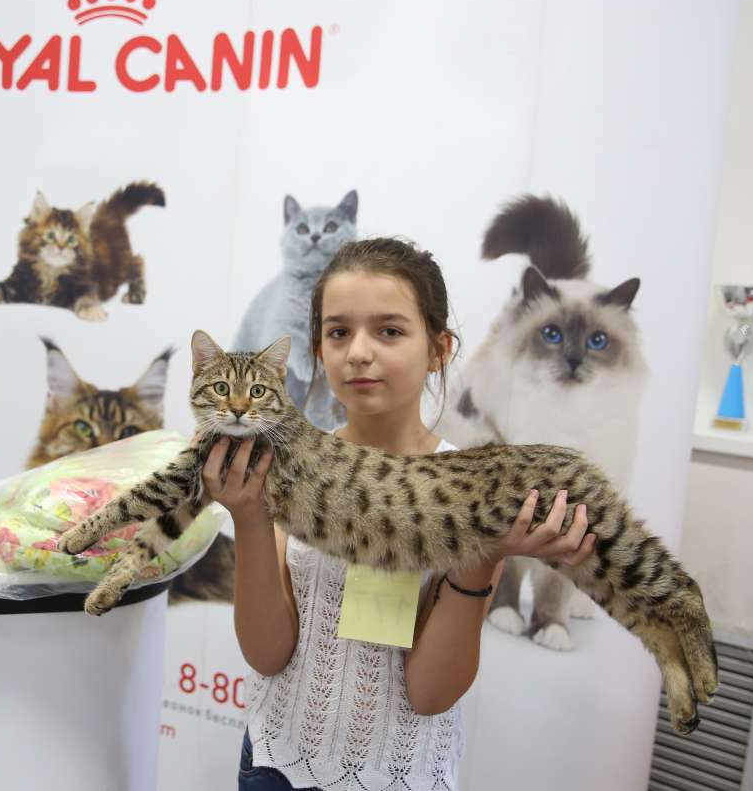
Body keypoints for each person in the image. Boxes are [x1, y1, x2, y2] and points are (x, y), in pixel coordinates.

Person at [202, 238, 597, 790]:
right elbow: (267, 654)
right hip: (277, 765)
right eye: (338, 332)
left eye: (389, 331)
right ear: (317, 349)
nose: (358, 352)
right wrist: (249, 518)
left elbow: (430, 693)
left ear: (438, 349)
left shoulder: (473, 488)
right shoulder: (288, 466)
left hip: (402, 774)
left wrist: (482, 555)